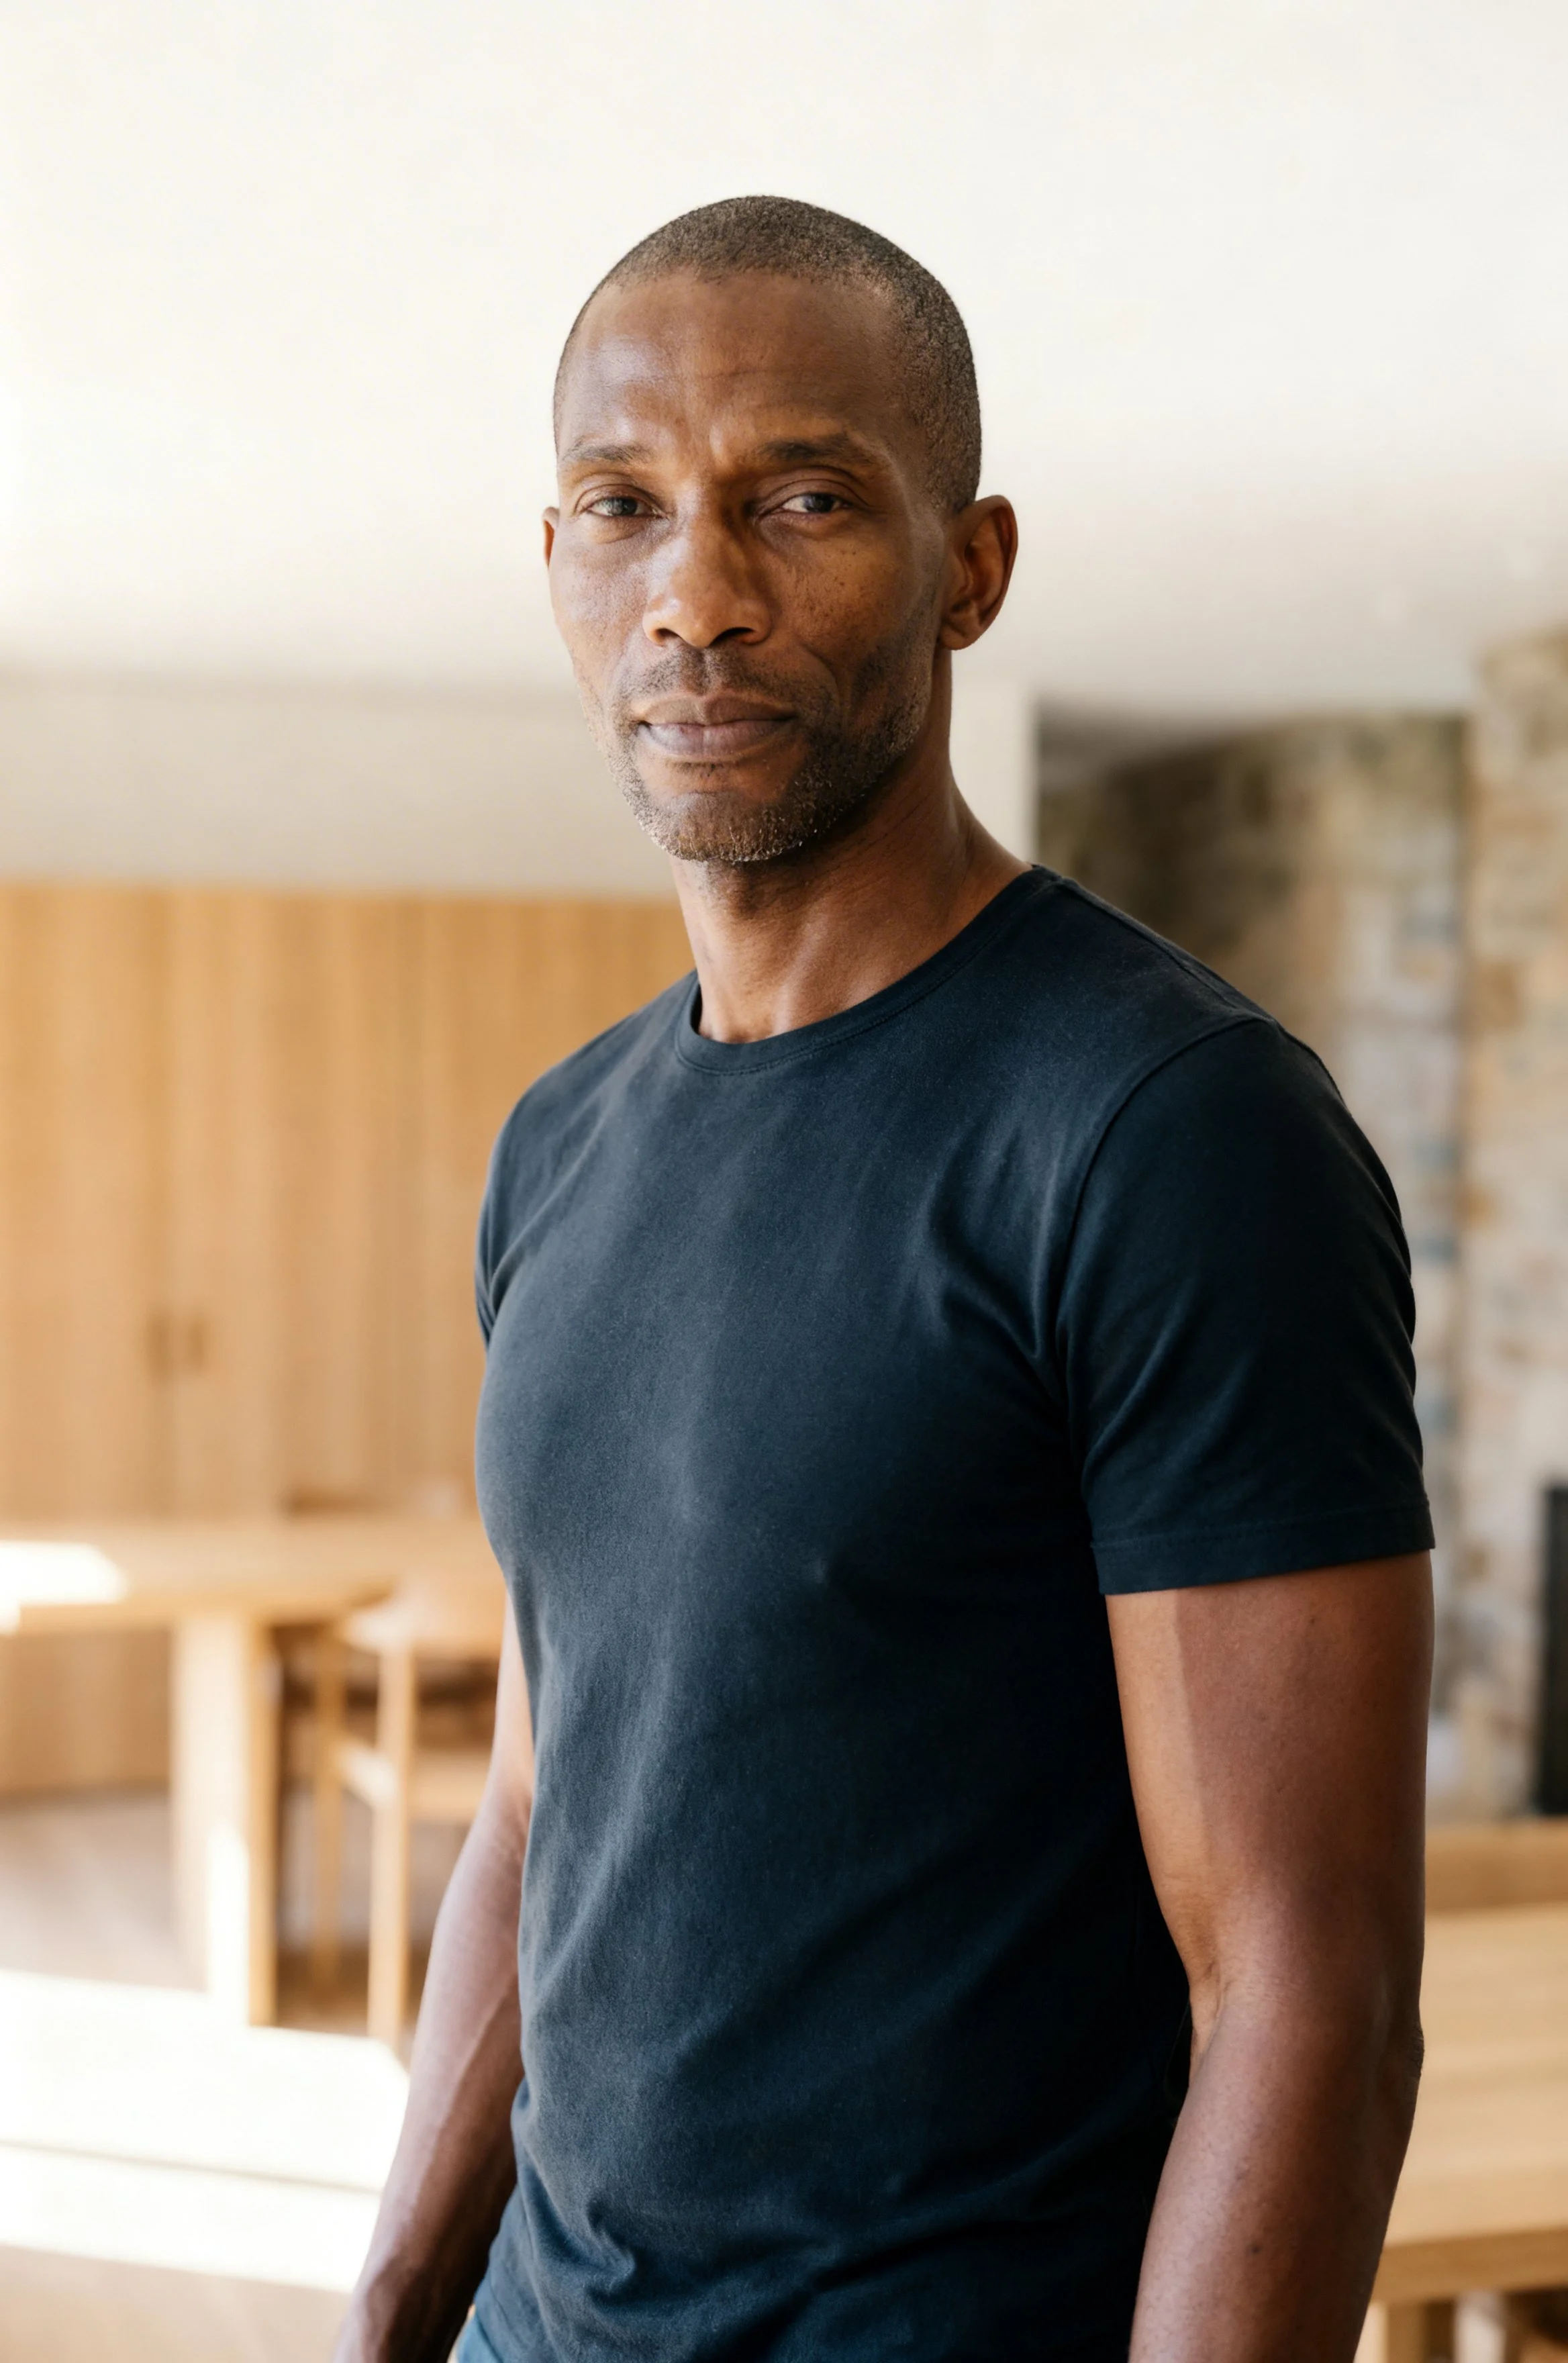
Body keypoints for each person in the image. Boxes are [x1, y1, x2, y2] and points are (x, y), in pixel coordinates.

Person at [335, 197, 1433, 2363]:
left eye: (802, 500)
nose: (697, 598)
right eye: (622, 508)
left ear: (970, 563)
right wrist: (393, 2312)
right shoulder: (562, 1141)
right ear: (555, 563)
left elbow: (1307, 1994)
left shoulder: (1169, 1131)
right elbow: (552, 1799)